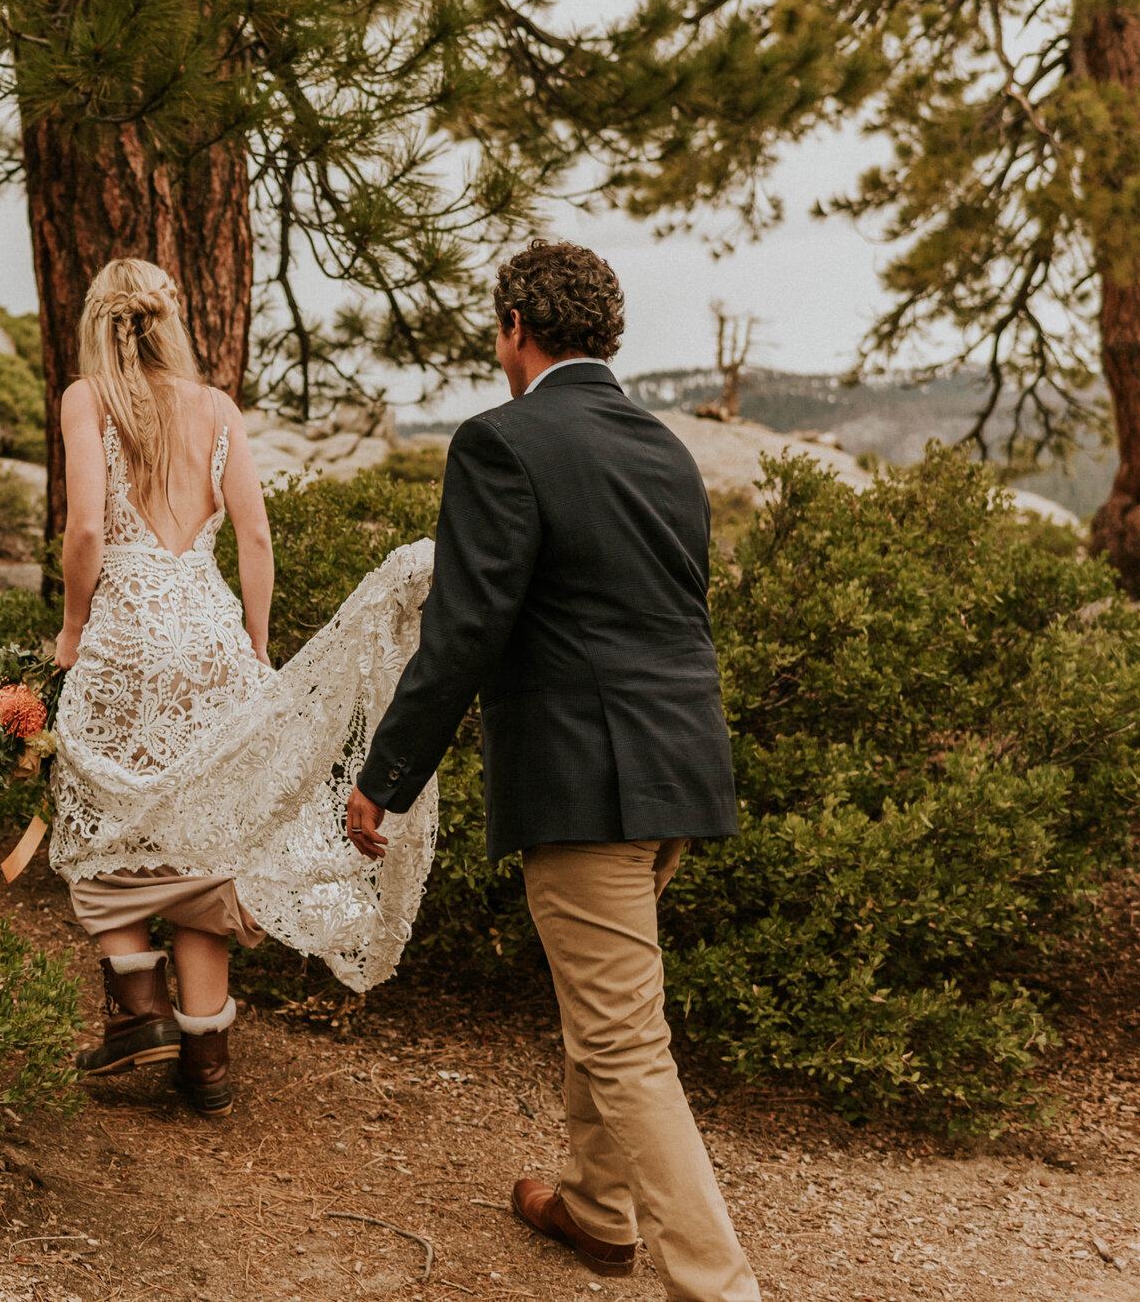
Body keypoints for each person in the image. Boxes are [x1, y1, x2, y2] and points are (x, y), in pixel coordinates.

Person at [345, 240, 759, 1301]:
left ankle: (718, 1286)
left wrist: (384, 774)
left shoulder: (500, 443)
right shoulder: (667, 449)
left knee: (623, 1039)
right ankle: (593, 1207)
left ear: (514, 331)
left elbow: (463, 631)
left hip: (585, 782)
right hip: (681, 772)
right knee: (606, 1000)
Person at [47, 258, 439, 1116]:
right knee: (205, 833)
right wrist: (254, 643)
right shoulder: (217, 408)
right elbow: (254, 538)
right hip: (212, 630)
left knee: (102, 815)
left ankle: (137, 1005)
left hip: (128, 627)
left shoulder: (88, 399)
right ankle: (207, 1062)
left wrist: (74, 630)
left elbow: (84, 530)